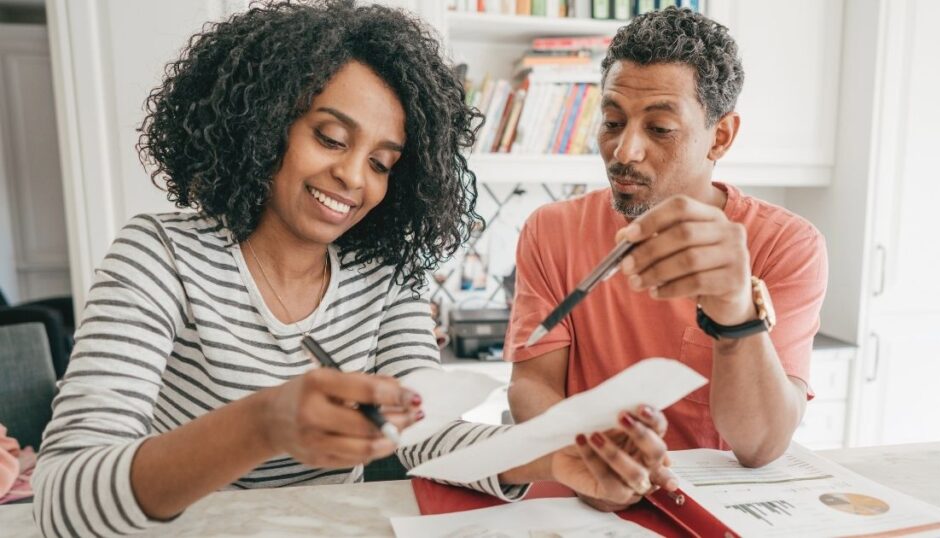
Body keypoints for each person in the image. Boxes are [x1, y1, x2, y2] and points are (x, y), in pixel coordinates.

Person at [31, 3, 676, 536]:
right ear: (263, 126)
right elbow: (63, 494)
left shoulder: (383, 276)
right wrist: (263, 424)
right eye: (332, 139)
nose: (352, 177)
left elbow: (426, 437)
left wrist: (557, 457)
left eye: (382, 162)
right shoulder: (159, 257)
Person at [506, 6, 829, 511]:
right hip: (586, 501)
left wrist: (734, 306)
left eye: (659, 129)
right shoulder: (551, 231)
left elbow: (761, 445)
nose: (624, 151)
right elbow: (531, 385)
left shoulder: (786, 245)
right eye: (612, 121)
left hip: (712, 509)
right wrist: (589, 454)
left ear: (719, 137)